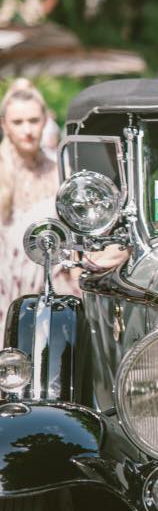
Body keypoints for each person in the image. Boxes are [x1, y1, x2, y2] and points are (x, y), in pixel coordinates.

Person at [0, 79, 62, 329]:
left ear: (45, 121)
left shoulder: (59, 170)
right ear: (4, 125)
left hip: (52, 291)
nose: (27, 130)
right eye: (18, 122)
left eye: (33, 120)